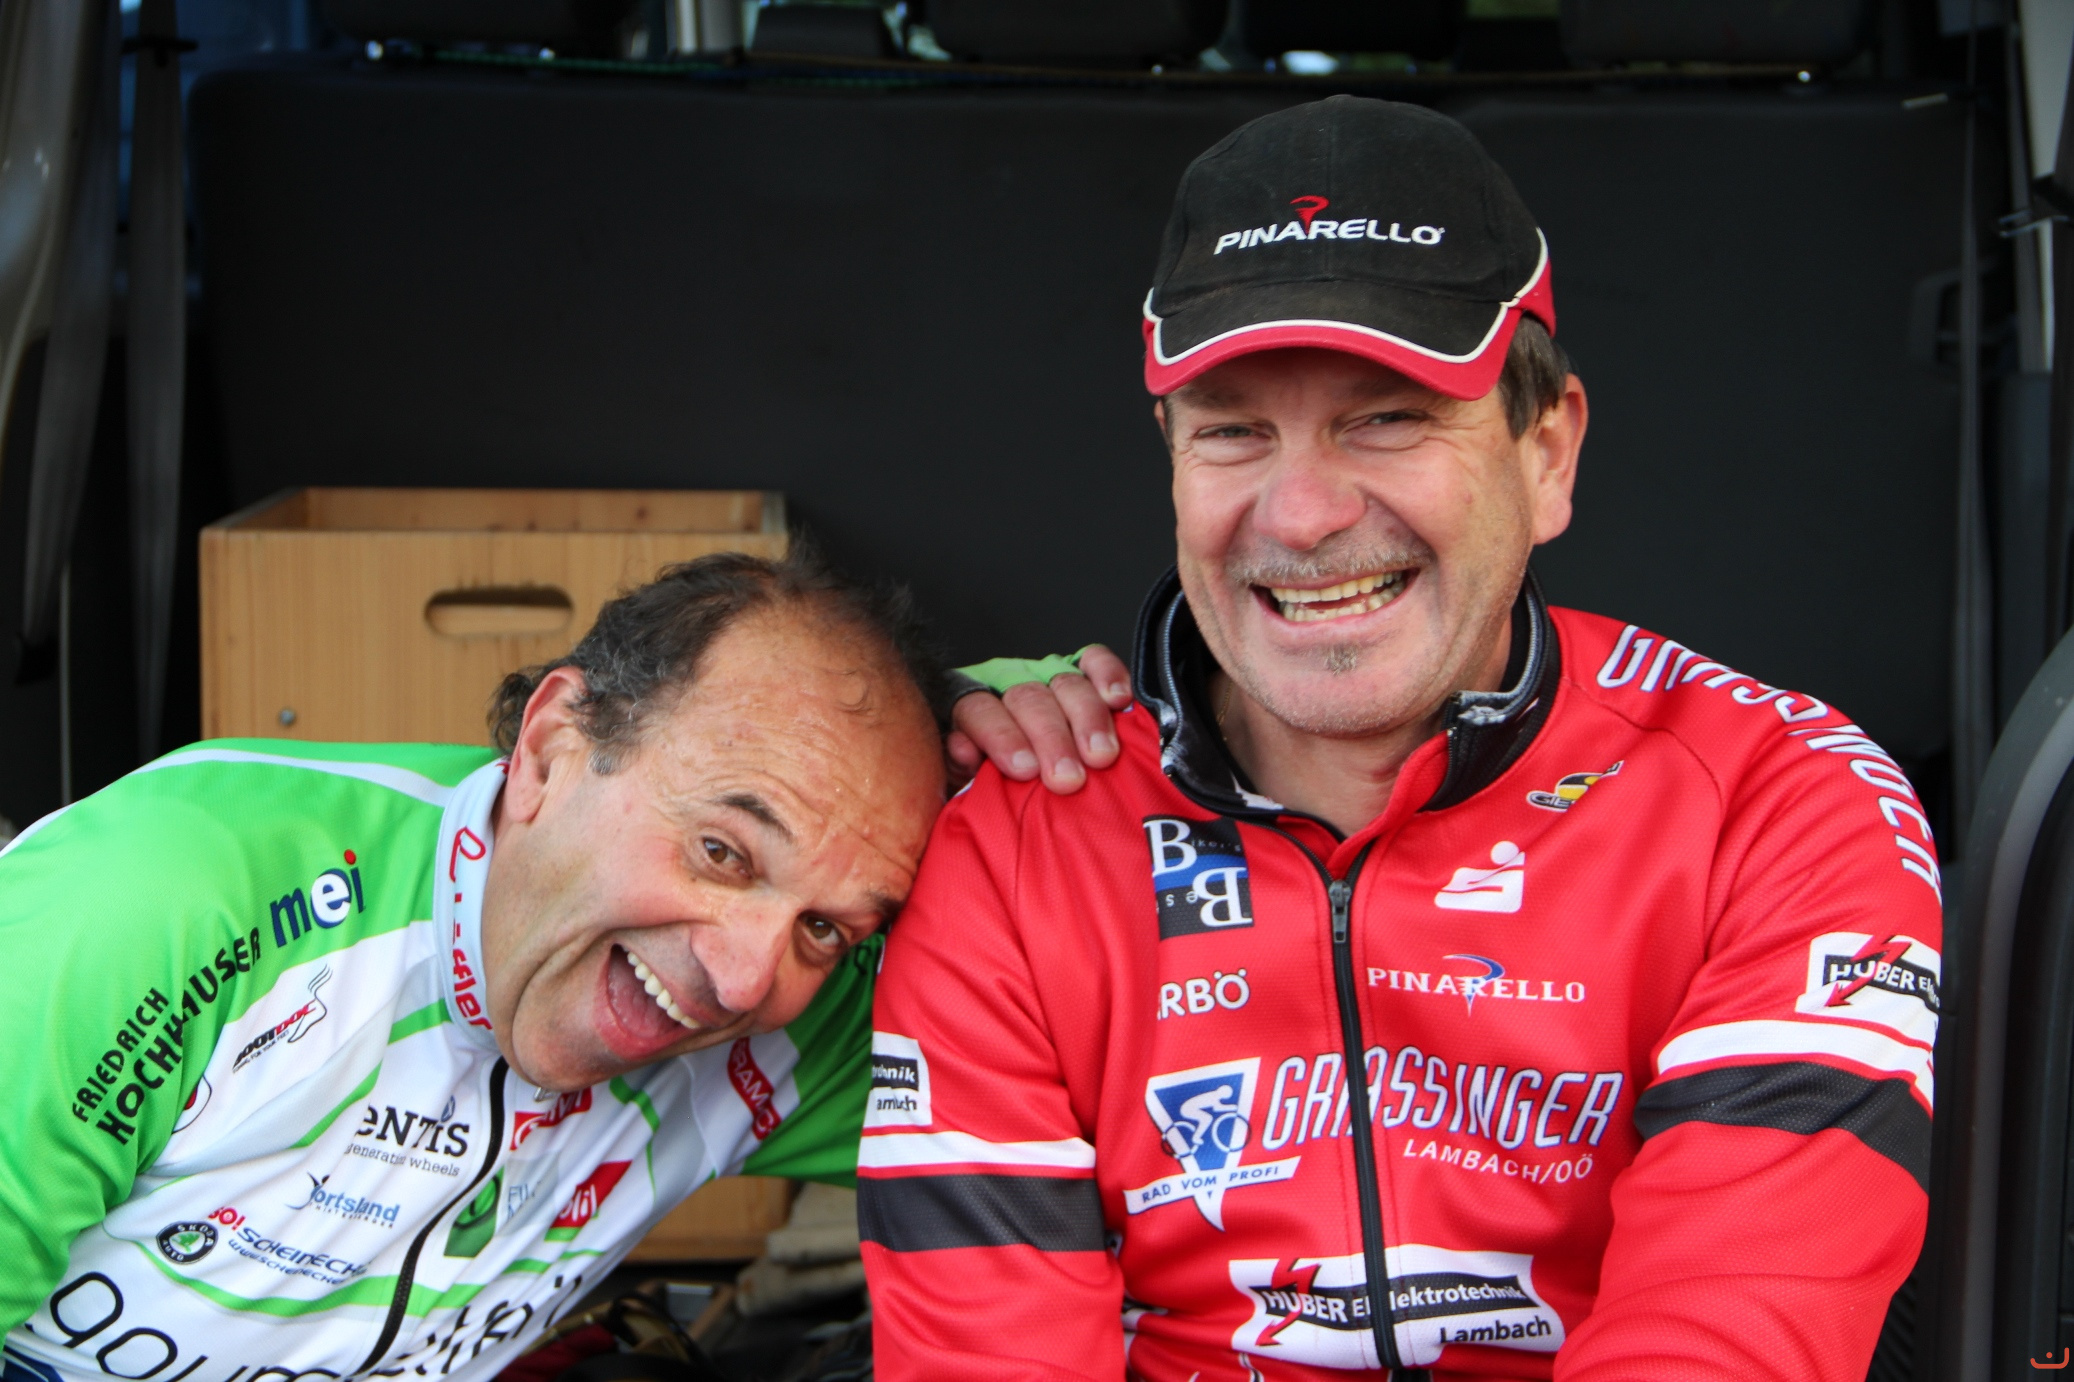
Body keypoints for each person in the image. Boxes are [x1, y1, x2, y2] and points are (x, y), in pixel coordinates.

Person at [858, 96, 1940, 1382]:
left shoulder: (1776, 800)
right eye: (1232, 430)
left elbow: (1723, 1344)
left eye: (1388, 416)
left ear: (1546, 454)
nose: (1302, 513)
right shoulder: (1016, 841)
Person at [0, 551, 966, 1380]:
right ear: (549, 751)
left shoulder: (798, 1025)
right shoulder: (158, 904)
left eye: (824, 928)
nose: (745, 980)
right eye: (723, 852)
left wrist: (1014, 721)